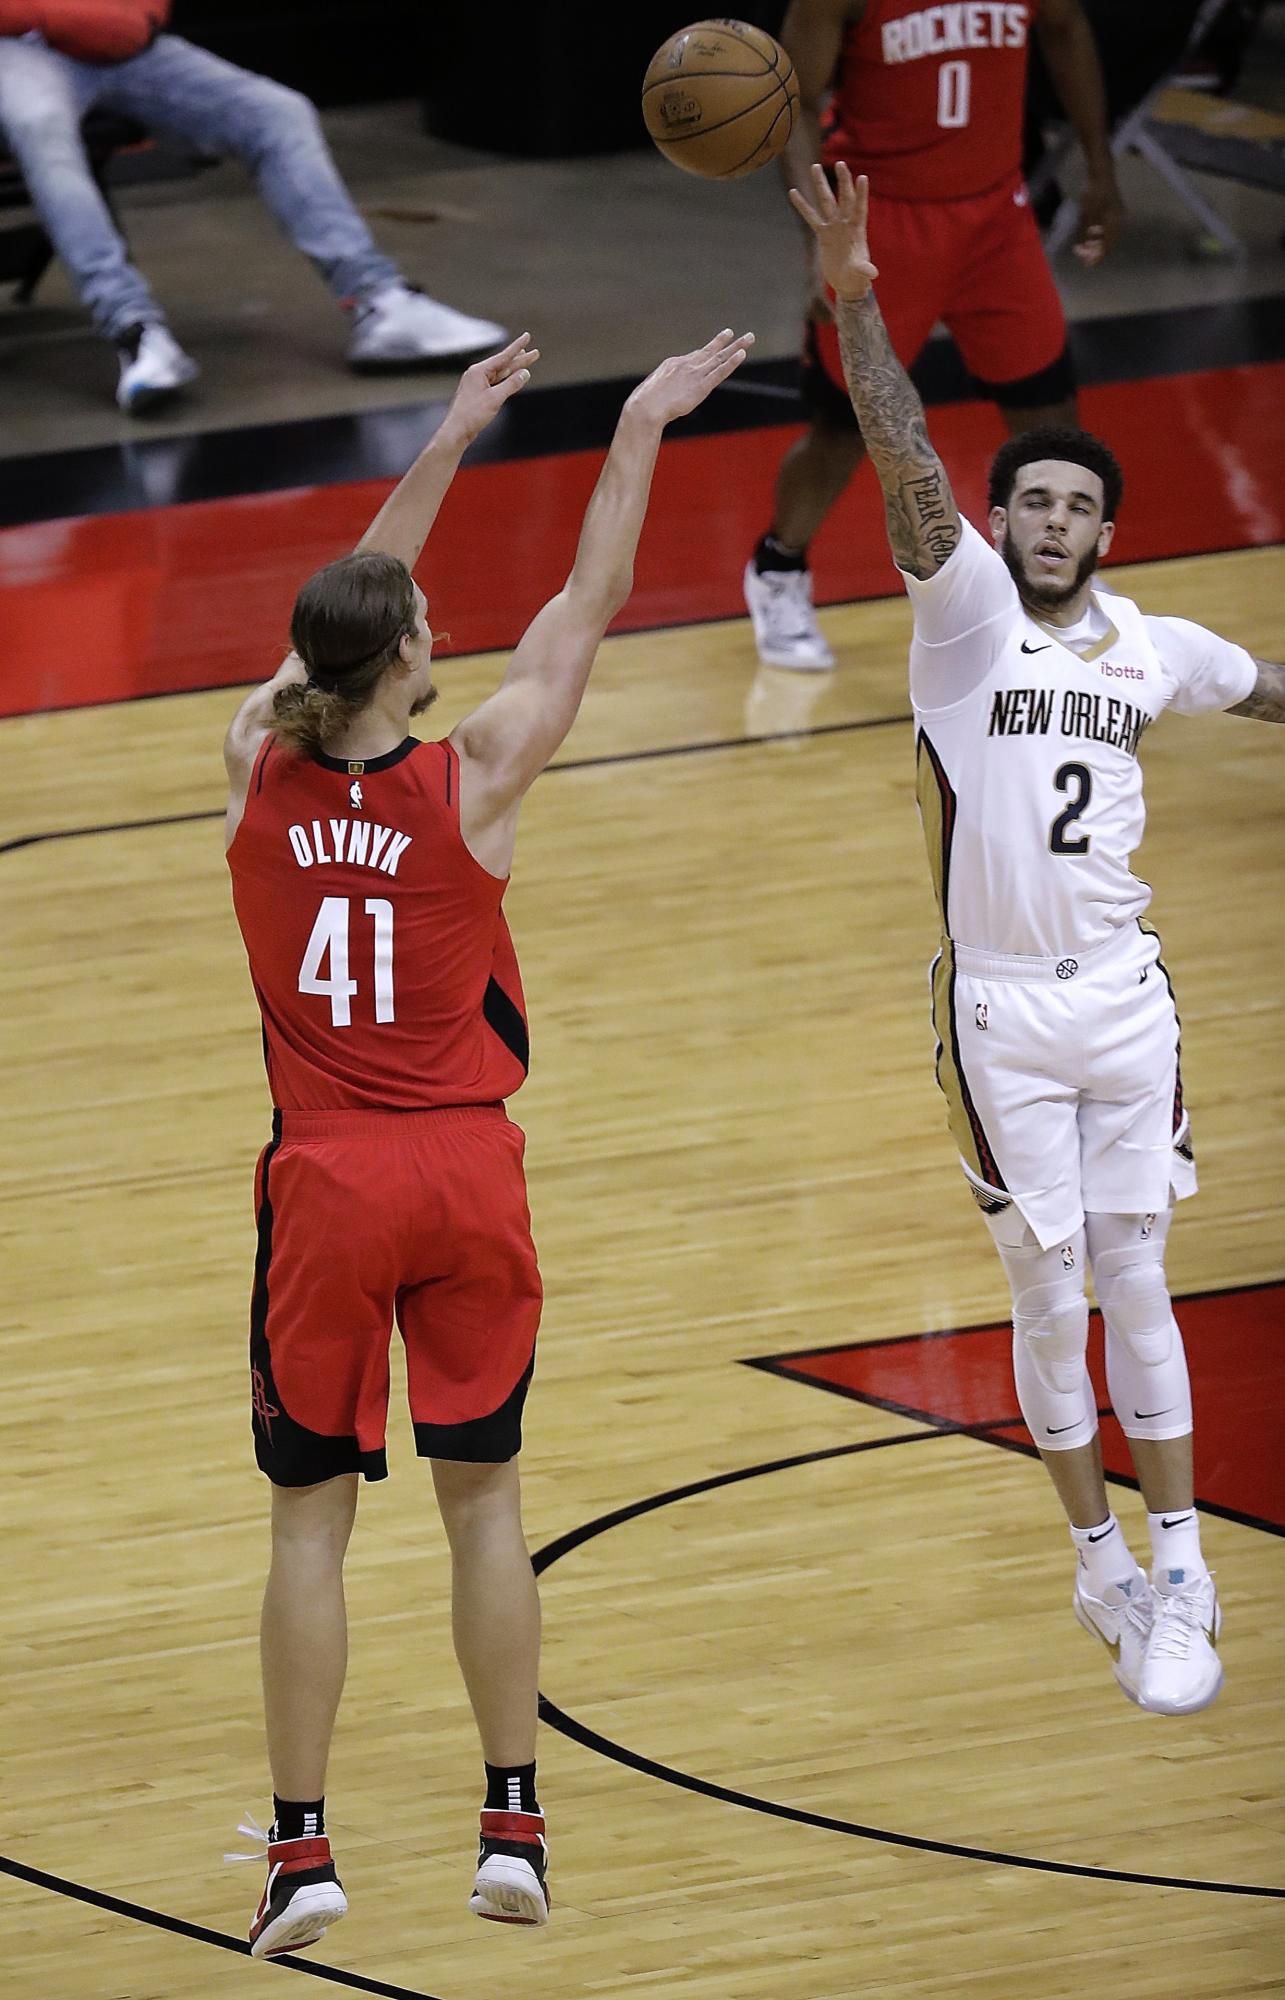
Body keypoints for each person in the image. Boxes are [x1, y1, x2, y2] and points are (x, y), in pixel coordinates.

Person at [222, 324, 753, 1958]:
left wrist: (447, 441)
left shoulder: (252, 767)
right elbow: (586, 606)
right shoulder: (483, 776)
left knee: (311, 1522)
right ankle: (510, 1823)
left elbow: (335, 628)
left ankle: (304, 1859)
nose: (442, 631)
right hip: (464, 1170)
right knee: (486, 1502)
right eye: (426, 629)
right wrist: (642, 428)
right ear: (402, 669)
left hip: (325, 1177)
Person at [788, 160, 1283, 1712]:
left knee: (1141, 1279)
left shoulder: (1160, 647)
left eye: (1082, 506)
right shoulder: (966, 613)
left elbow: (1268, 690)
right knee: (1049, 1289)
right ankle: (1097, 1566)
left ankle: (1183, 1562)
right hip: (997, 1012)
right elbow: (898, 443)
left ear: (1110, 536)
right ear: (1002, 522)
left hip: (1129, 997)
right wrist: (857, 293)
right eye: (1036, 501)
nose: (1055, 520)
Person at [744, 0, 1123, 672]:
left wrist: (1100, 168)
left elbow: (1067, 29)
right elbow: (794, 105)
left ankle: (1051, 586)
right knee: (846, 427)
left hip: (994, 215)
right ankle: (777, 568)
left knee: (1049, 418)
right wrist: (820, 243)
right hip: (879, 216)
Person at [0, 0, 506, 412]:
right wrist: (57, 15)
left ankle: (379, 302)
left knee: (275, 113)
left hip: (114, 43)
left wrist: (117, 18)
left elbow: (138, 18)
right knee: (42, 128)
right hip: (16, 49)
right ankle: (134, 331)